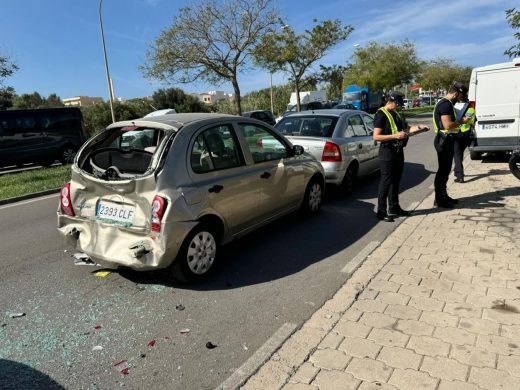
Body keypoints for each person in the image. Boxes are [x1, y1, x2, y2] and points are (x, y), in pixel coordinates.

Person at [373, 91, 428, 222]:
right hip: (387, 151)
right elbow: (376, 136)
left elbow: (406, 129)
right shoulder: (381, 114)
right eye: (397, 104)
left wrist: (420, 127)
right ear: (391, 102)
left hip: (398, 151)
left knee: (396, 180)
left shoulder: (395, 113)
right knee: (386, 181)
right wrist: (395, 136)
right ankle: (381, 211)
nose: (399, 107)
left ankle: (394, 207)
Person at [432, 82, 470, 208]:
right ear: (455, 93)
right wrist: (461, 121)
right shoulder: (445, 105)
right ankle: (439, 200)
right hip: (444, 141)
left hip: (447, 140)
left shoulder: (448, 104)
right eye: (460, 95)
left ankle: (443, 196)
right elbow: (447, 125)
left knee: (446, 170)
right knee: (443, 171)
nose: (461, 98)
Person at [453, 103, 476, 183]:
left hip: (458, 133)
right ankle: (457, 171)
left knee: (457, 154)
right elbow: (473, 121)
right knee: (460, 153)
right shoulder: (471, 109)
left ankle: (460, 176)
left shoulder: (455, 109)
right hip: (467, 134)